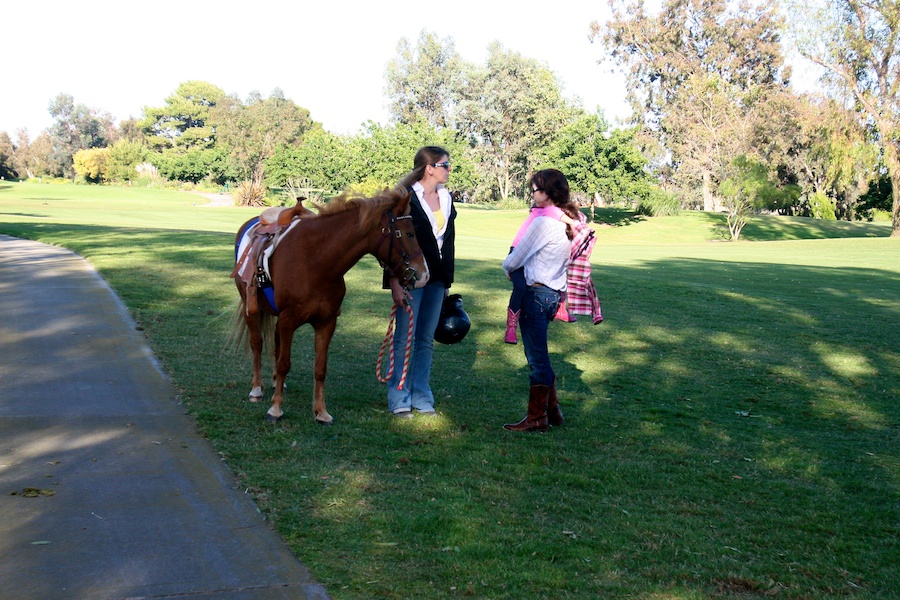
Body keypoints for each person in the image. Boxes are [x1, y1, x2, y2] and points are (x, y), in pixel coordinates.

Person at [385, 146, 457, 418]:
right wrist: (394, 282)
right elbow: (392, 244)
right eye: (445, 164)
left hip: (438, 278)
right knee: (404, 339)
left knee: (426, 339)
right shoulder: (404, 198)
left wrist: (447, 279)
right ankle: (399, 397)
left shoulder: (447, 198)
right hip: (410, 277)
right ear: (429, 168)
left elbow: (447, 241)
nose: (449, 169)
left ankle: (422, 396)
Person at [501, 169, 574, 432]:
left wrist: (507, 266)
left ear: (548, 192)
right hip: (553, 294)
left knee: (537, 358)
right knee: (540, 353)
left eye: (535, 190)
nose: (532, 194)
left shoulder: (543, 223)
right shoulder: (571, 222)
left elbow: (514, 259)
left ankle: (537, 418)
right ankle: (552, 412)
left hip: (534, 294)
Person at [505, 184, 577, 344]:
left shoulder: (551, 213)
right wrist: (573, 223)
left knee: (557, 269)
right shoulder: (541, 210)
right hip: (518, 250)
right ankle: (511, 328)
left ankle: (560, 307)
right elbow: (556, 213)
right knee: (520, 288)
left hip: (532, 251)